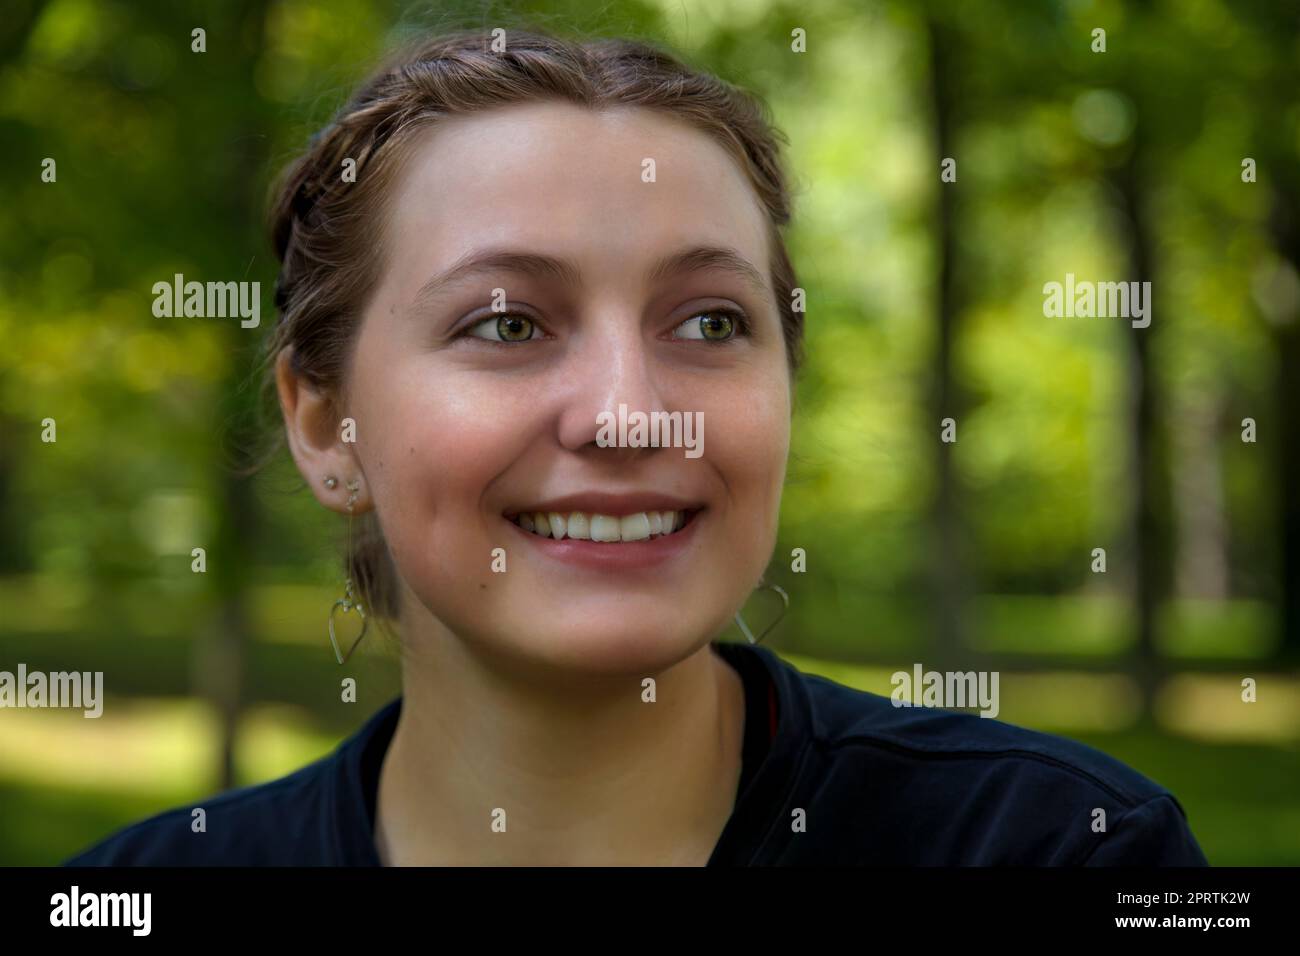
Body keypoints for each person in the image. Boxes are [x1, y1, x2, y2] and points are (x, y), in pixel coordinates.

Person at [65, 27, 1207, 867]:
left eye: (709, 322)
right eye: (506, 323)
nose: (628, 412)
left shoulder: (1059, 851)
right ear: (326, 424)